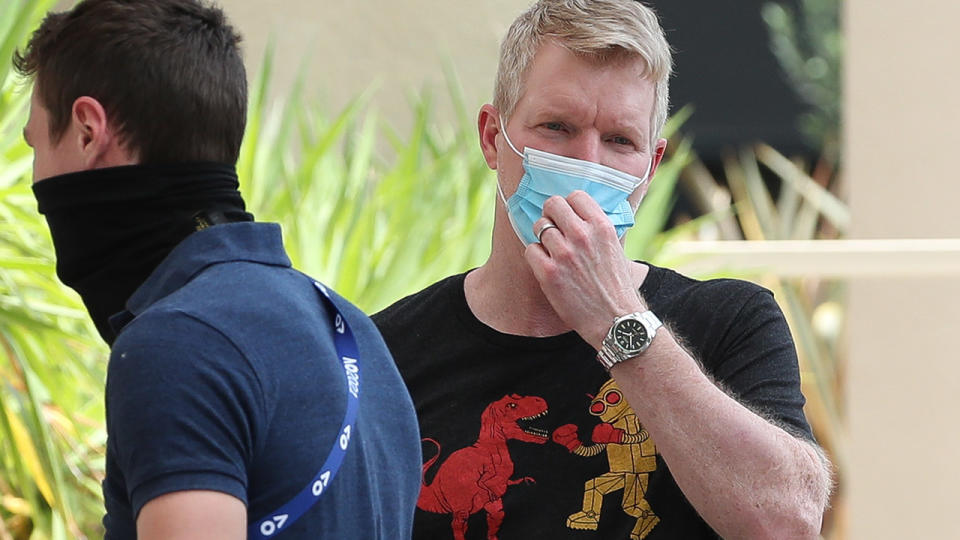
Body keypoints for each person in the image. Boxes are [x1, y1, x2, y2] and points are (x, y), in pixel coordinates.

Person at [372, 1, 833, 538]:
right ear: (493, 137)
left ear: (651, 167)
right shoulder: (388, 351)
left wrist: (615, 317)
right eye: (557, 127)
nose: (587, 164)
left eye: (620, 141)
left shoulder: (729, 322)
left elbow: (790, 522)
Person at [14, 0, 421, 538]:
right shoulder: (355, 334)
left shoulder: (178, 343)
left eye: (37, 145)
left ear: (88, 131)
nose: (36, 176)